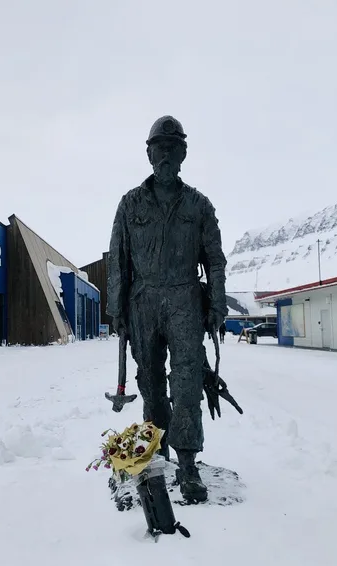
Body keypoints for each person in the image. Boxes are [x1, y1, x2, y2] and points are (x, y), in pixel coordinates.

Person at [106, 115, 228, 502]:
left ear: (183, 153)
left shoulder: (199, 205)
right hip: (142, 301)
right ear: (148, 153)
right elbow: (118, 260)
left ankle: (188, 462)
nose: (165, 155)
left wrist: (218, 305)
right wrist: (117, 309)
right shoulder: (130, 204)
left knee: (188, 381)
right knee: (151, 381)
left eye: (172, 148)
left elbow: (215, 259)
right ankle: (156, 451)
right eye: (159, 148)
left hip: (185, 301)